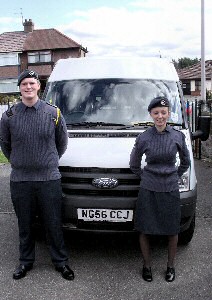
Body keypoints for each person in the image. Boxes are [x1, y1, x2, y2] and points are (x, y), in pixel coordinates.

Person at [0, 69, 74, 281]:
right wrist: (20, 161)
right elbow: (5, 145)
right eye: (24, 84)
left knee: (53, 223)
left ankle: (61, 262)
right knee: (25, 224)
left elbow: (62, 143)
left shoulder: (53, 113)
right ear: (20, 88)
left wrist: (47, 161)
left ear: (39, 86)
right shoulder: (9, 116)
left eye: (32, 83)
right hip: (21, 180)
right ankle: (25, 262)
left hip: (49, 179)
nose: (28, 87)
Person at [129, 96, 190, 282]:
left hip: (170, 189)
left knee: (172, 230)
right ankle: (146, 266)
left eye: (163, 112)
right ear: (151, 114)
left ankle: (170, 267)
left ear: (168, 114)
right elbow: (134, 164)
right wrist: (147, 177)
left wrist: (173, 175)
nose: (160, 116)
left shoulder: (177, 136)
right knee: (145, 229)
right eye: (156, 113)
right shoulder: (144, 137)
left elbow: (186, 162)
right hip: (148, 190)